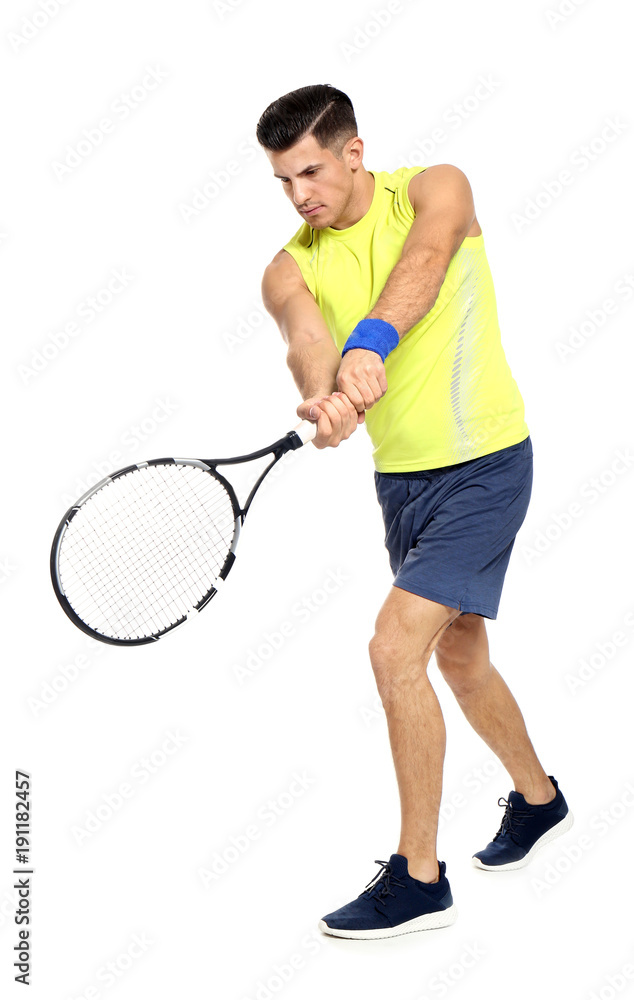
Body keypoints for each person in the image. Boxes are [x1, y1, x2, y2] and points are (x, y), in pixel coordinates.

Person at [257, 84, 572, 940]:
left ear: (353, 152)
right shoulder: (290, 264)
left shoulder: (436, 187)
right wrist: (325, 399)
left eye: (312, 171)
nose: (300, 195)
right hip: (402, 484)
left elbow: (425, 264)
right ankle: (540, 801)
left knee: (394, 645)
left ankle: (419, 877)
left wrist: (371, 342)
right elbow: (305, 340)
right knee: (460, 654)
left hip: (487, 465)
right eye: (284, 181)